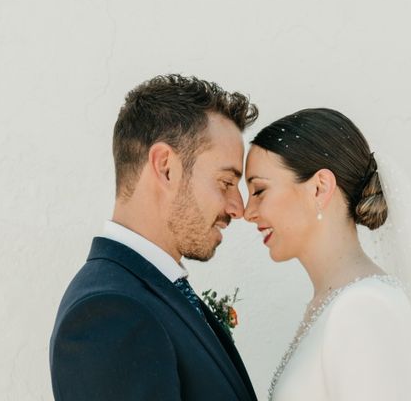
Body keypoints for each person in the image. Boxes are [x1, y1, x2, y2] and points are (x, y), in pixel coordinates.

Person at [49, 74, 259, 401]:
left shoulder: (151, 292)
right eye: (225, 183)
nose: (238, 208)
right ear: (166, 167)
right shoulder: (108, 314)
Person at [244, 108, 411, 400]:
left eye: (259, 190)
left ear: (319, 188)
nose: (248, 212)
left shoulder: (364, 307)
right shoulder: (333, 302)